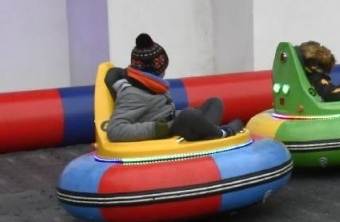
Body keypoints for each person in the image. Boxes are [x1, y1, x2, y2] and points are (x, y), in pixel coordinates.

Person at [103, 33, 244, 142]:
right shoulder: (133, 94)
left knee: (214, 103)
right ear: (156, 70)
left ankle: (206, 133)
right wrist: (157, 129)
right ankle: (222, 134)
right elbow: (115, 130)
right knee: (190, 115)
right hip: (167, 132)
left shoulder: (151, 85)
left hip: (174, 122)